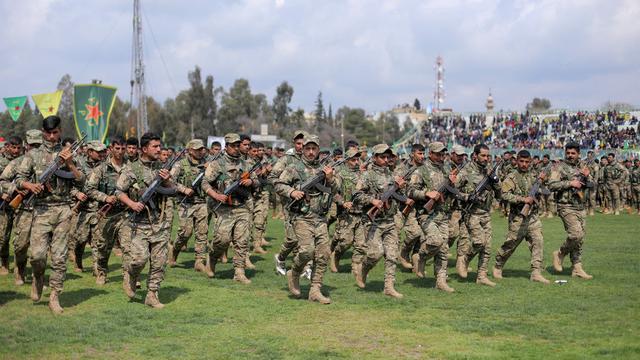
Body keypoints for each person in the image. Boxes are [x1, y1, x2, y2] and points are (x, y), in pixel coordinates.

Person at [14, 116, 84, 314]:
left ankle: (54, 296)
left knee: (60, 257)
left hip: (63, 209)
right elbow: (19, 178)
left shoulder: (69, 154)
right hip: (41, 210)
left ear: (60, 131)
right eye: (48, 133)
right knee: (37, 256)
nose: (51, 137)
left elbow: (81, 181)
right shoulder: (33, 155)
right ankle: (38, 277)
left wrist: (70, 164)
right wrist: (30, 185)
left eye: (55, 133)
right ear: (43, 132)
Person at [116, 132, 188, 308]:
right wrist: (132, 204)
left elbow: (173, 189)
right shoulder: (132, 169)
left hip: (160, 222)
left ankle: (152, 294)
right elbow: (118, 191)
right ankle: (131, 275)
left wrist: (167, 180)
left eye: (159, 146)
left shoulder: (162, 168)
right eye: (155, 146)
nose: (159, 149)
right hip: (139, 223)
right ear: (144, 148)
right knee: (139, 260)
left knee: (159, 262)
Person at [274, 135, 338, 304]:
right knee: (306, 251)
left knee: (324, 253)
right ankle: (294, 273)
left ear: (318, 150)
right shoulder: (294, 168)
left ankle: (315, 290)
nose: (310, 152)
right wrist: (291, 192)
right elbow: (278, 184)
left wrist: (330, 178)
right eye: (307, 149)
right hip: (301, 217)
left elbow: (336, 187)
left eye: (314, 149)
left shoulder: (326, 168)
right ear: (302, 149)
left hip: (320, 218)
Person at [353, 144, 411, 299]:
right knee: (375, 253)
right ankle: (364, 268)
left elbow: (401, 197)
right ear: (375, 158)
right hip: (373, 222)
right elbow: (356, 195)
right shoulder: (367, 176)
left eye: (388, 157)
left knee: (392, 255)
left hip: (390, 221)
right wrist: (372, 200)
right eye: (382, 157)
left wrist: (401, 187)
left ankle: (389, 287)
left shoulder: (392, 175)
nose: (386, 160)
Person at [203, 133, 259, 284]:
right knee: (222, 239)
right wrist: (215, 195)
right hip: (224, 208)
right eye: (233, 146)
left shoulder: (246, 164)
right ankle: (212, 258)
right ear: (226, 147)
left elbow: (257, 181)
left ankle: (239, 272)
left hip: (242, 207)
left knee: (242, 241)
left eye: (237, 145)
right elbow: (205, 183)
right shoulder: (217, 164)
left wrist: (251, 182)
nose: (236, 148)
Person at [493, 150, 551, 284]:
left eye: (527, 162)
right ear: (517, 161)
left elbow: (546, 191)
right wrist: (522, 199)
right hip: (518, 217)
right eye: (521, 161)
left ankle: (536, 272)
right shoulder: (512, 177)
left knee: (538, 241)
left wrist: (542, 182)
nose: (524, 164)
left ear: (530, 162)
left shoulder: (534, 175)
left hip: (533, 217)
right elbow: (504, 195)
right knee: (510, 244)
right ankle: (498, 265)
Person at [408, 142, 456, 293]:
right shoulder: (421, 170)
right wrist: (426, 194)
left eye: (443, 154)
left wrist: (453, 185)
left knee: (443, 249)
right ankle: (421, 256)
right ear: (430, 154)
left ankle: (440, 281)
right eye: (438, 154)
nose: (441, 156)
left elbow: (451, 191)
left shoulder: (446, 169)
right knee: (435, 241)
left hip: (443, 214)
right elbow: (410, 191)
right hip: (426, 214)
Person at [84, 136, 130, 285]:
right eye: (117, 148)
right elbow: (89, 189)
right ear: (111, 149)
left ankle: (129, 276)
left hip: (125, 213)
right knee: (103, 247)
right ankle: (102, 271)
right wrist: (104, 198)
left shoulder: (130, 167)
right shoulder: (101, 169)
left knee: (128, 246)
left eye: (123, 148)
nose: (121, 151)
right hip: (106, 214)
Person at [0, 130, 41, 285]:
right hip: (23, 209)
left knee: (39, 248)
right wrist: (15, 189)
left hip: (43, 210)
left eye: (38, 145)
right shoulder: (17, 162)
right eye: (33, 145)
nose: (36, 149)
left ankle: (38, 277)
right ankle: (19, 271)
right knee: (21, 244)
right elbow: (3, 181)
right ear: (27, 145)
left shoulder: (49, 162)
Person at [548, 142, 593, 280]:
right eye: (568, 153)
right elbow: (551, 185)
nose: (570, 155)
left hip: (580, 205)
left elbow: (591, 185)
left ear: (578, 154)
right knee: (576, 234)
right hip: (565, 206)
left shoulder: (583, 167)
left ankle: (577, 268)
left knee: (579, 240)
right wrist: (570, 183)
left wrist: (587, 177)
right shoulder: (559, 167)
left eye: (573, 153)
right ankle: (560, 253)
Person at [455, 144, 499, 287]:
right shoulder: (466, 171)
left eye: (488, 156)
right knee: (479, 242)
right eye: (483, 155)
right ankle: (464, 259)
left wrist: (496, 181)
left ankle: (482, 276)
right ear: (475, 155)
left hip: (485, 213)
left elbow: (500, 195)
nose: (486, 159)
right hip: (471, 213)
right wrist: (467, 197)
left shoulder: (489, 171)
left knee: (487, 248)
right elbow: (454, 191)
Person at [169, 139, 211, 277]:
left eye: (202, 149)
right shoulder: (180, 164)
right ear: (190, 150)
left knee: (202, 233)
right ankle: (174, 251)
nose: (201, 151)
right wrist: (183, 189)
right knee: (185, 233)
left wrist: (210, 169)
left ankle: (199, 261)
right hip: (185, 203)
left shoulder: (206, 164)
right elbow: (169, 181)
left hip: (201, 202)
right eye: (198, 149)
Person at [270, 130, 308, 276]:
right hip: (290, 205)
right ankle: (280, 258)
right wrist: (289, 191)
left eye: (303, 143)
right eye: (298, 143)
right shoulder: (287, 159)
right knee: (292, 238)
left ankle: (306, 268)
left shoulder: (312, 159)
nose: (301, 146)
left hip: (310, 206)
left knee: (308, 239)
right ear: (294, 144)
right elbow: (272, 177)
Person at [67, 140, 107, 273]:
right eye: (99, 152)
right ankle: (78, 260)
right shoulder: (78, 163)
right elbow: (69, 186)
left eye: (103, 151)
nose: (102, 154)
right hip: (82, 208)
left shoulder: (106, 165)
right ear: (90, 152)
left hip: (99, 208)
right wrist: (77, 193)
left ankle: (97, 268)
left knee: (98, 241)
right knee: (81, 239)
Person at [330, 148, 364, 274]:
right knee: (346, 242)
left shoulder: (362, 174)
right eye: (353, 160)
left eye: (357, 159)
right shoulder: (340, 174)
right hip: (346, 214)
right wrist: (343, 203)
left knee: (361, 245)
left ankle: (356, 268)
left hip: (362, 213)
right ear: (347, 160)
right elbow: (333, 192)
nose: (356, 162)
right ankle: (335, 255)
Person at [396, 143, 426, 270]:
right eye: (420, 153)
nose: (422, 156)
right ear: (412, 153)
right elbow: (394, 189)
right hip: (403, 206)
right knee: (410, 233)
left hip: (420, 206)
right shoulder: (402, 168)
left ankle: (413, 257)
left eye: (424, 153)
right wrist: (404, 199)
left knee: (421, 235)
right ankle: (403, 253)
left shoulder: (425, 168)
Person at [0, 135, 22, 274]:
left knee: (20, 237)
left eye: (18, 148)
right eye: (13, 147)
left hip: (21, 203)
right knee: (3, 237)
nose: (16, 150)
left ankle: (19, 265)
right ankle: (4, 262)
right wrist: (1, 193)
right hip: (4, 203)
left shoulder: (24, 161)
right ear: (7, 146)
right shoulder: (1, 162)